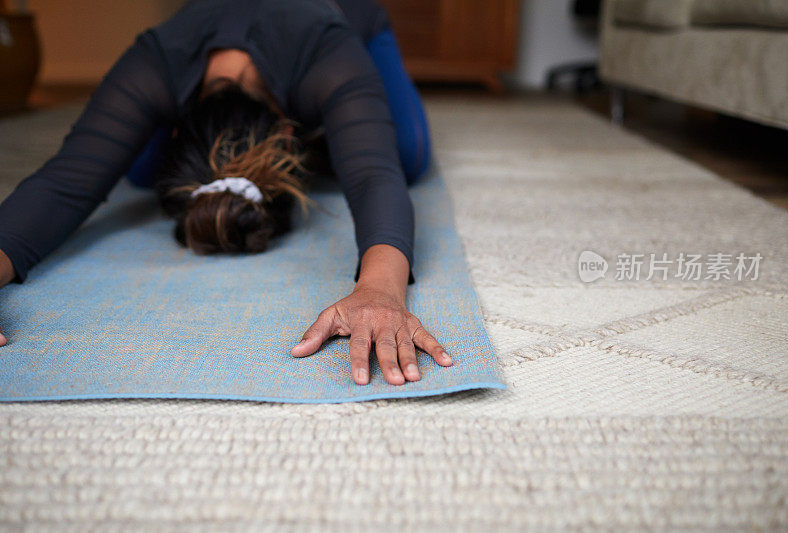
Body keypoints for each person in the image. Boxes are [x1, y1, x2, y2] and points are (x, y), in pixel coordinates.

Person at [0, 0, 452, 386]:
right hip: (206, 32)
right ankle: (324, 137)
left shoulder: (329, 58)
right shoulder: (155, 62)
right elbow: (65, 181)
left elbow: (375, 175)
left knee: (406, 154)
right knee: (136, 169)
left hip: (346, 16)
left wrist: (379, 289)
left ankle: (331, 129)